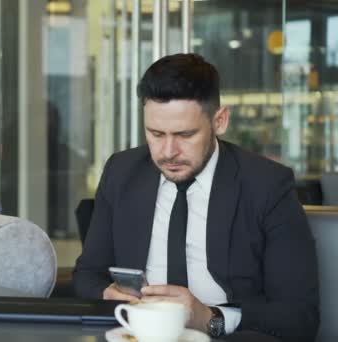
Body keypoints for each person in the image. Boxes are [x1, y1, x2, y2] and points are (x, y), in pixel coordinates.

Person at [73, 53, 319, 341]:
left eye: (185, 134)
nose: (168, 152)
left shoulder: (266, 185)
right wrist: (107, 293)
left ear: (220, 121)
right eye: (155, 133)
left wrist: (210, 318)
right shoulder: (122, 172)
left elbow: (299, 316)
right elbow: (87, 274)